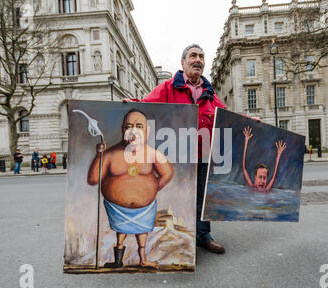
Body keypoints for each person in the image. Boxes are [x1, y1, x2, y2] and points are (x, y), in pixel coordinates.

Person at [124, 44, 237, 254]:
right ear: (183, 63)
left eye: (201, 57)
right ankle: (177, 237)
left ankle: (203, 236)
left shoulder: (210, 94)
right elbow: (146, 105)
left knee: (204, 196)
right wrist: (128, 105)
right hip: (177, 154)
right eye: (193, 56)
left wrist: (251, 122)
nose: (198, 60)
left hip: (204, 155)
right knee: (177, 195)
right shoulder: (168, 87)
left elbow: (228, 118)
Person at [87, 109, 174, 269]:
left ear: (146, 130)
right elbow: (93, 180)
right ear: (123, 130)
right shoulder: (110, 154)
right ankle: (118, 261)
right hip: (117, 208)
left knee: (142, 233)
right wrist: (98, 155)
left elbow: (167, 173)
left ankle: (143, 260)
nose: (133, 130)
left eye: (138, 126)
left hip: (144, 209)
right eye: (129, 126)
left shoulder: (153, 153)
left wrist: (153, 189)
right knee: (121, 233)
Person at [242, 126, 287, 192]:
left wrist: (279, 154)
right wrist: (246, 141)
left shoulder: (266, 190)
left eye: (264, 178)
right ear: (255, 178)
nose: (262, 181)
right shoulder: (252, 188)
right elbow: (244, 168)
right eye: (260, 177)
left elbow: (273, 177)